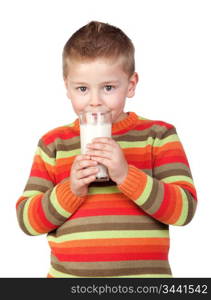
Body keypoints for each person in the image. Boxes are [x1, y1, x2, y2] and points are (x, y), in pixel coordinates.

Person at [16, 21, 197, 278]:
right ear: (67, 87)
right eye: (82, 89)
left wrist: (126, 175)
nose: (95, 101)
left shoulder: (158, 136)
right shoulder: (54, 143)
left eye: (108, 88)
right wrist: (71, 189)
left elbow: (184, 211)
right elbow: (27, 221)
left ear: (131, 84)